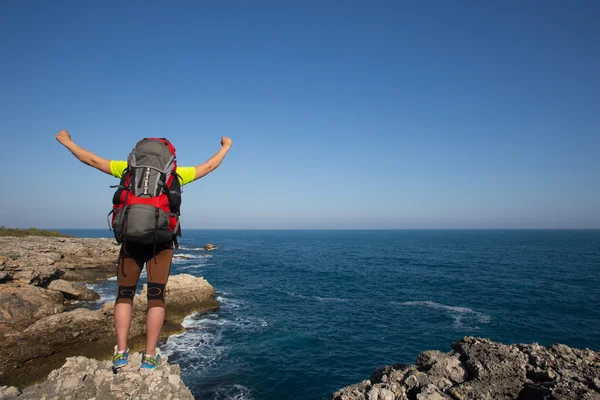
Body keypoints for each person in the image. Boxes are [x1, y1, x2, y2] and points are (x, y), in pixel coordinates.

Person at [56, 129, 232, 370]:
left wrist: (67, 142)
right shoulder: (176, 173)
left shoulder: (127, 170)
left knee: (124, 295)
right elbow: (210, 166)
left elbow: (91, 159)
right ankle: (150, 356)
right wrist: (225, 147)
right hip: (161, 241)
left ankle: (121, 352)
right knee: (156, 296)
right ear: (169, 157)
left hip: (130, 239)